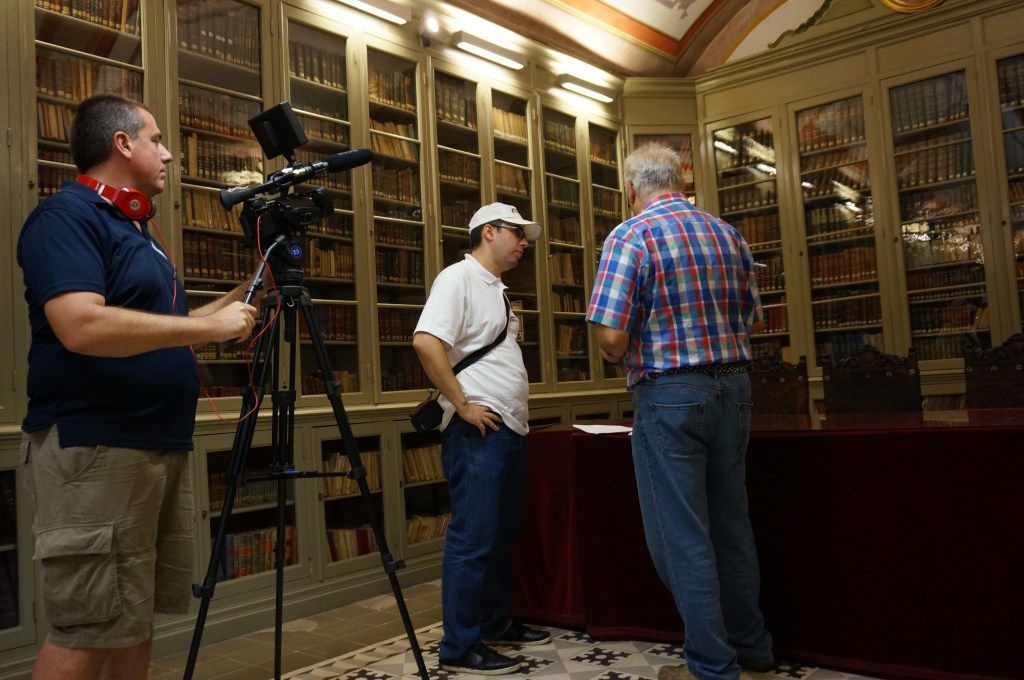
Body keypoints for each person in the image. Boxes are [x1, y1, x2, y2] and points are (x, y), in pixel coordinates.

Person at [17, 94, 258, 680]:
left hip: (154, 443)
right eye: (156, 139)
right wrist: (208, 326)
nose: (170, 154)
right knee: (89, 623)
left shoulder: (136, 229)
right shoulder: (65, 217)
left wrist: (245, 294)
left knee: (135, 615)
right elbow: (81, 324)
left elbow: (160, 328)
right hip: (98, 445)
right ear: (122, 144)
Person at [586, 143, 774, 680]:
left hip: (670, 393)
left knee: (681, 533)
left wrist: (616, 346)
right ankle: (753, 648)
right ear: (680, 181)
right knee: (732, 526)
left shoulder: (630, 235)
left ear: (630, 189)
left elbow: (614, 338)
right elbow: (753, 318)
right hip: (734, 389)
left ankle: (712, 665)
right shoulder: (728, 234)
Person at [412, 203, 551, 675]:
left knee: (500, 533)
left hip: (508, 426)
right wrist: (465, 405)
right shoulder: (458, 278)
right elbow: (426, 342)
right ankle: (459, 647)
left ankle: (494, 621)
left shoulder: (498, 290)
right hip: (477, 429)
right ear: (488, 232)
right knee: (472, 538)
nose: (524, 242)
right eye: (517, 233)